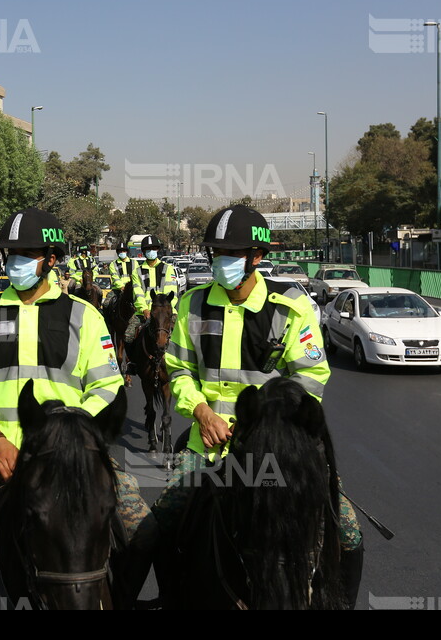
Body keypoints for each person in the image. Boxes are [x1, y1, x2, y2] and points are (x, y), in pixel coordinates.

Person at [0, 207, 155, 605]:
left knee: (143, 530)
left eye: (26, 253)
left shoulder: (86, 317)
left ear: (51, 258)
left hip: (71, 455)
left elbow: (108, 388)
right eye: (11, 253)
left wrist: (72, 440)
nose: (16, 262)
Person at [152, 204, 363, 608]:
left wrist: (266, 427)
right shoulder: (191, 305)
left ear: (257, 257)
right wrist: (201, 411)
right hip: (208, 450)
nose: (221, 262)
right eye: (217, 254)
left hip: (278, 451)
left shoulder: (290, 308)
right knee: (160, 523)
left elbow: (311, 378)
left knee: (349, 532)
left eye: (231, 255)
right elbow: (178, 372)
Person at [126, 235, 177, 343]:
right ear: (144, 251)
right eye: (148, 249)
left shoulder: (168, 269)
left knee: (181, 335)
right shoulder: (137, 272)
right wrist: (144, 309)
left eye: (153, 248)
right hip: (144, 312)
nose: (151, 251)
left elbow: (172, 292)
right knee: (128, 336)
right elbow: (138, 293)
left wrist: (162, 310)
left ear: (158, 249)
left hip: (166, 313)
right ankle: (132, 360)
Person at [104, 242, 139, 310]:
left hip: (132, 289)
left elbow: (136, 276)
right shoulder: (113, 264)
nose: (122, 252)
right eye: (120, 251)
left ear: (127, 252)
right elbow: (115, 277)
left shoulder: (134, 262)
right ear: (117, 252)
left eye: (124, 251)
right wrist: (121, 287)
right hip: (118, 290)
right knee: (106, 304)